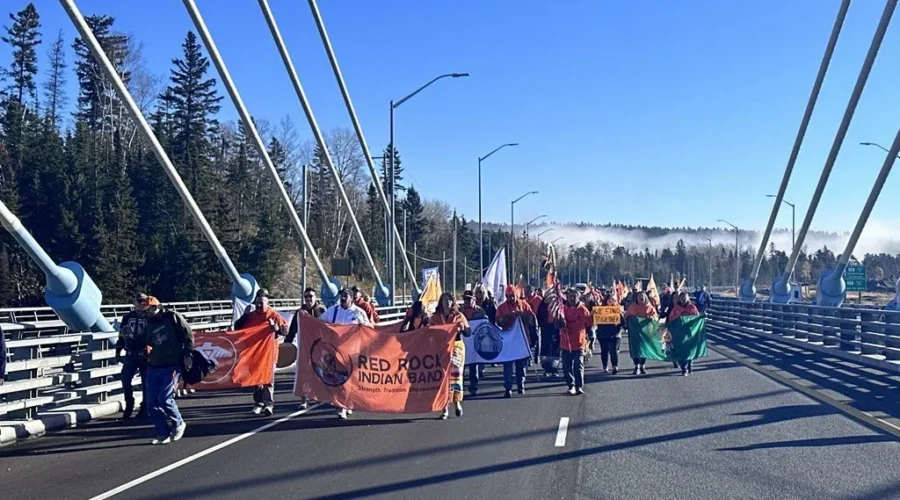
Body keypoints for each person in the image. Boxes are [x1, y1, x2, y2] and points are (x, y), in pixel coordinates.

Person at [137, 297, 193, 445]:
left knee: (164, 398)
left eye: (151, 309)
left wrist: (187, 353)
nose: (149, 313)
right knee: (151, 403)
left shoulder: (172, 317)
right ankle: (163, 433)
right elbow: (144, 342)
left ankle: (179, 423)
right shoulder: (148, 325)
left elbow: (187, 334)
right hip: (154, 365)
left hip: (172, 365)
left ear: (157, 307)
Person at [234, 289, 288, 416]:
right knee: (256, 379)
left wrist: (276, 328)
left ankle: (269, 404)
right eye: (258, 302)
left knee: (268, 379)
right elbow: (237, 327)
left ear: (267, 302)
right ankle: (258, 403)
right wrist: (245, 315)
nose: (259, 305)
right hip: (254, 353)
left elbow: (285, 331)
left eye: (262, 302)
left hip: (269, 353)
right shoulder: (251, 315)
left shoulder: (274, 315)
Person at [322, 288, 371, 419]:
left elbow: (369, 329)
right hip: (335, 351)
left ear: (351, 298)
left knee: (349, 380)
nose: (343, 298)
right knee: (339, 379)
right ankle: (342, 405)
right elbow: (320, 322)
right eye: (341, 296)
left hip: (352, 352)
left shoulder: (358, 312)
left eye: (345, 296)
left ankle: (347, 404)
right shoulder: (333, 311)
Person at [430, 292, 471, 419]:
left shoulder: (458, 316)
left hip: (457, 348)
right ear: (441, 303)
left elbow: (469, 332)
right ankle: (444, 408)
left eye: (449, 300)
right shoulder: (436, 317)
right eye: (444, 300)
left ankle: (457, 402)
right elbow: (429, 332)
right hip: (441, 349)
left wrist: (462, 328)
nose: (447, 303)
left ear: (452, 302)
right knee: (443, 379)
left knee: (455, 377)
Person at [286, 287, 325, 410]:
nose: (308, 299)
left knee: (320, 373)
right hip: (305, 348)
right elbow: (292, 330)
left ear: (315, 297)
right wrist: (287, 344)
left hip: (320, 348)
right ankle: (304, 399)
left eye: (311, 296)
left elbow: (330, 328)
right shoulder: (299, 313)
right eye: (306, 296)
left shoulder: (322, 311)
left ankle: (319, 395)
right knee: (303, 374)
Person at [116, 292, 152, 419]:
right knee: (125, 379)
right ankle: (129, 404)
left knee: (146, 382)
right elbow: (121, 334)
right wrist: (118, 350)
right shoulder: (128, 317)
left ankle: (145, 407)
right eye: (139, 301)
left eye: (144, 301)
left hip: (146, 354)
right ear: (134, 303)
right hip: (131, 353)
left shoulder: (150, 317)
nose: (142, 304)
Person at [496, 284, 535, 398]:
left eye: (513, 296)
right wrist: (507, 317)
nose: (511, 298)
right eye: (509, 296)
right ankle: (508, 387)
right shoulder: (501, 308)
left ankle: (520, 384)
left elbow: (531, 320)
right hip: (508, 340)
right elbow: (498, 322)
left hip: (521, 339)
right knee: (508, 364)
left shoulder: (524, 305)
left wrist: (521, 315)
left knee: (521, 364)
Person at [561, 288, 591, 395]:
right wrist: (560, 322)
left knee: (578, 365)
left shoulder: (583, 310)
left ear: (579, 297)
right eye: (570, 296)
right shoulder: (562, 310)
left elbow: (589, 325)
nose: (572, 298)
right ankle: (571, 385)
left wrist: (590, 338)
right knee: (566, 366)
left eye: (574, 296)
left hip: (579, 343)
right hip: (566, 343)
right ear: (567, 297)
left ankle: (579, 386)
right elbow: (555, 325)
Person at [467, 284, 496, 396]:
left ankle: (481, 367)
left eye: (481, 292)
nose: (479, 294)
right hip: (474, 333)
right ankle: (477, 372)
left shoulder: (489, 304)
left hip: (486, 330)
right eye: (477, 292)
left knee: (483, 349)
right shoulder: (473, 305)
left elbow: (493, 315)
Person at [625, 291, 658, 375]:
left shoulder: (650, 307)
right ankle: (636, 366)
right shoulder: (632, 307)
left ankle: (642, 365)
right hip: (634, 332)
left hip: (646, 332)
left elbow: (655, 317)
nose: (641, 298)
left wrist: (652, 318)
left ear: (646, 297)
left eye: (643, 296)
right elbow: (626, 316)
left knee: (644, 348)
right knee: (635, 348)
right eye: (639, 296)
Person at [669, 291, 700, 375]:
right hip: (680, 334)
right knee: (681, 350)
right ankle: (684, 368)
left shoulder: (692, 307)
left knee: (690, 350)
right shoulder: (676, 309)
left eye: (685, 297)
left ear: (688, 298)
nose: (683, 298)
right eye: (682, 297)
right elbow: (671, 319)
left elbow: (697, 318)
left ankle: (689, 364)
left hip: (690, 333)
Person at [596, 294, 625, 375]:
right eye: (609, 299)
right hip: (603, 333)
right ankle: (605, 366)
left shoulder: (617, 310)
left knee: (614, 350)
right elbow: (596, 321)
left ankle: (615, 366)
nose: (610, 301)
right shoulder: (600, 310)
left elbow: (623, 322)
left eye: (612, 300)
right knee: (604, 351)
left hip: (615, 333)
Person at [536, 295, 561, 378]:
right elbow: (538, 315)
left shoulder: (559, 303)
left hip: (556, 328)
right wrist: (541, 324)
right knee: (545, 348)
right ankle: (546, 369)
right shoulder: (543, 304)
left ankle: (554, 369)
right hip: (546, 328)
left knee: (555, 349)